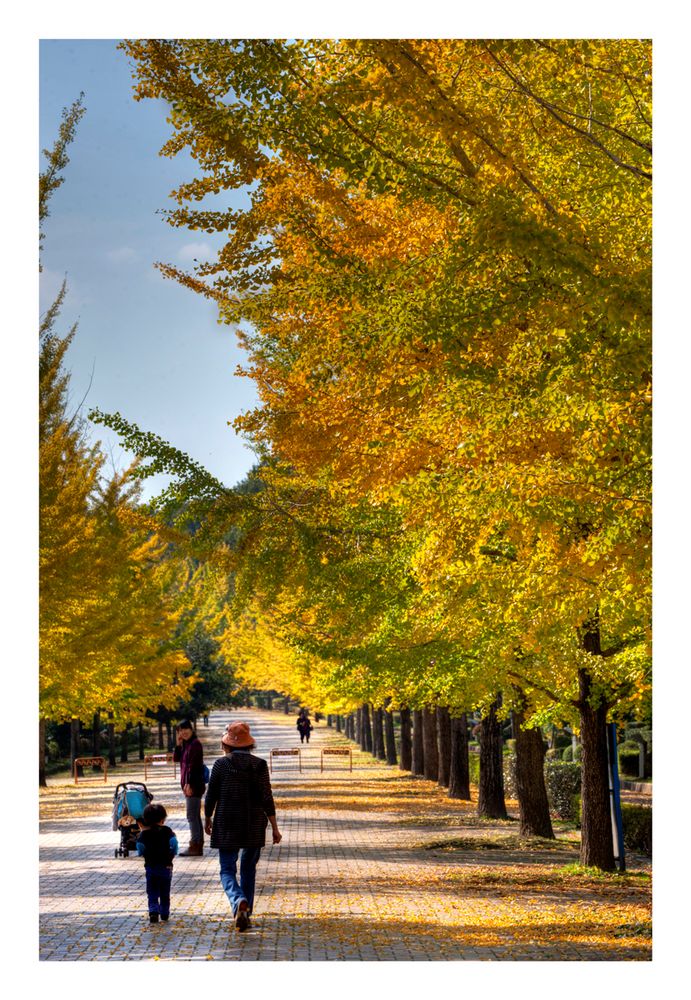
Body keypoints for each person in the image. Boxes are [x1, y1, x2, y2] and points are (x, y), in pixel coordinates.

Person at [204, 721, 282, 931]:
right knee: (248, 869)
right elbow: (267, 797)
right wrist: (274, 827)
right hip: (253, 824)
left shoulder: (221, 765)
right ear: (249, 745)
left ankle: (238, 900)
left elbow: (211, 795)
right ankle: (246, 912)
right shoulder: (259, 765)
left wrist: (207, 818)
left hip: (227, 823)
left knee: (227, 869)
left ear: (227, 744)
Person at [136, 802, 178, 923]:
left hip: (151, 866)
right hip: (166, 866)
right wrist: (173, 853)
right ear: (163, 819)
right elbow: (174, 843)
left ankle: (154, 910)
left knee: (152, 890)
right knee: (165, 891)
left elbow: (140, 846)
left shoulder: (144, 834)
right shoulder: (168, 831)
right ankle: (164, 912)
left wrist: (142, 853)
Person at [172, 719, 206, 856]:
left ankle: (195, 845)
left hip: (193, 785)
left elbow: (194, 766)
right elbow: (176, 759)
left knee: (191, 816)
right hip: (189, 785)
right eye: (180, 730)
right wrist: (178, 745)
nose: (183, 732)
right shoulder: (186, 744)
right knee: (195, 815)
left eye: (185, 729)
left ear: (191, 729)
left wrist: (189, 784)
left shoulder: (195, 744)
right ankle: (197, 846)